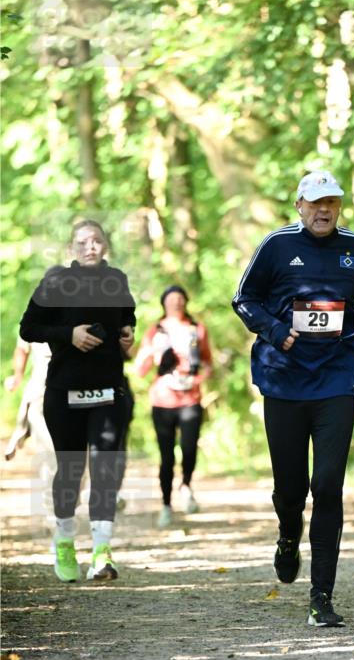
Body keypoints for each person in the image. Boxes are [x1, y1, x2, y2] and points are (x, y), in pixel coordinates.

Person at [232, 170, 354, 627]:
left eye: (332, 203)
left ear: (339, 208)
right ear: (299, 205)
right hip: (282, 380)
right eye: (316, 202)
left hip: (336, 379)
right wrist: (277, 330)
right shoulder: (277, 246)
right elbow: (244, 299)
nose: (324, 210)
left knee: (327, 485)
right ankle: (287, 533)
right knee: (291, 488)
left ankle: (322, 596)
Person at [19, 219, 136, 582]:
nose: (90, 247)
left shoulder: (116, 280)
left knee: (105, 470)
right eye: (83, 242)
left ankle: (102, 552)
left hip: (108, 391)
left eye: (97, 241)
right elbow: (29, 328)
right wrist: (68, 334)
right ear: (72, 248)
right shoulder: (55, 282)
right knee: (70, 471)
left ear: (105, 246)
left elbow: (127, 316)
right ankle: (65, 541)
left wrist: (128, 333)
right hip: (64, 393)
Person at [135, 286, 212, 528]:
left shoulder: (196, 329)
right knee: (166, 455)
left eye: (180, 299)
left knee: (189, 449)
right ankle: (166, 505)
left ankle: (186, 485)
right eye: (171, 300)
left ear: (186, 302)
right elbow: (140, 370)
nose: (176, 303)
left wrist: (196, 380)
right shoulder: (155, 331)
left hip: (190, 399)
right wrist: (150, 352)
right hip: (163, 400)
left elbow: (208, 364)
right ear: (163, 304)